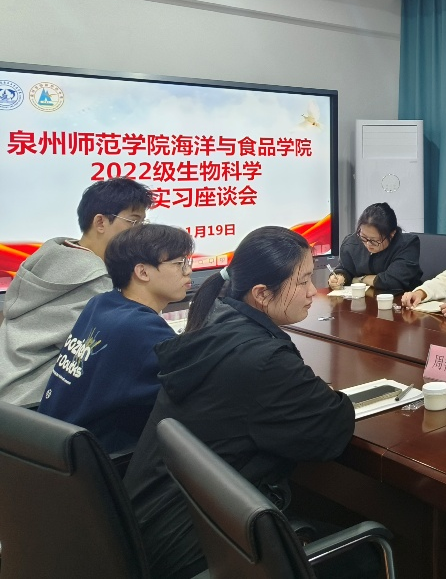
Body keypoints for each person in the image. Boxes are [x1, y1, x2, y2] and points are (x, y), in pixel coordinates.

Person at [123, 227, 359, 579]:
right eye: (303, 281)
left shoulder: (213, 321)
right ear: (261, 293)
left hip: (157, 532)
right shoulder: (262, 359)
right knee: (365, 558)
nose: (313, 290)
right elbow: (332, 428)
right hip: (204, 551)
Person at [37, 225, 193, 453]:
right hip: (102, 458)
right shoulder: (143, 328)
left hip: (56, 447)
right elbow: (191, 392)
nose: (188, 271)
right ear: (143, 272)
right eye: (180, 263)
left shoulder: (101, 303)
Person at [0, 177, 154, 405]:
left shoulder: (51, 255)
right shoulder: (96, 280)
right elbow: (103, 350)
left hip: (8, 385)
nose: (140, 232)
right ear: (100, 222)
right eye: (134, 222)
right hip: (36, 401)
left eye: (143, 223)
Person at [327, 202, 422, 294]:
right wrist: (340, 277)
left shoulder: (407, 244)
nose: (368, 244)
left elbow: (393, 280)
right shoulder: (351, 243)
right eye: (363, 237)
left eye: (374, 240)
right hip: (364, 300)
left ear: (392, 234)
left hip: (403, 299)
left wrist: (360, 279)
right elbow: (345, 268)